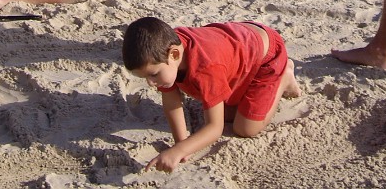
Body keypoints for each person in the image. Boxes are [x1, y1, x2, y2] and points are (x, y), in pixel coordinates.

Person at [122, 16, 301, 173]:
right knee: (227, 114)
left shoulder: (205, 68)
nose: (150, 83)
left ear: (175, 54)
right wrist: (181, 145)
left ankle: (284, 76)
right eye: (144, 77)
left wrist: (178, 151)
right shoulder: (165, 51)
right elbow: (171, 103)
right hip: (238, 47)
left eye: (153, 75)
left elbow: (215, 128)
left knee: (245, 128)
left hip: (266, 55)